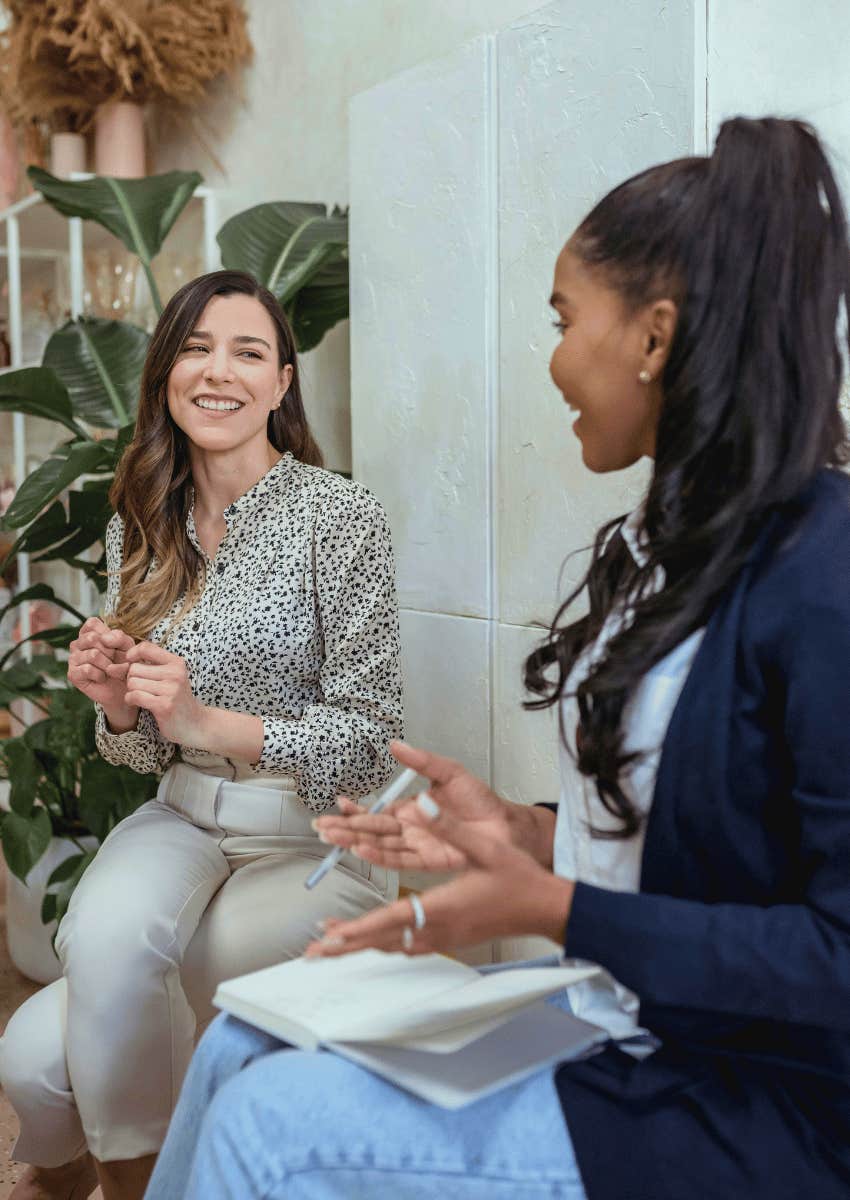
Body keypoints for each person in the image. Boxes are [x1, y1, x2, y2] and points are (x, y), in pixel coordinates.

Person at [143, 117, 850, 1200]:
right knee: (239, 1048)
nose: (555, 358)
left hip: (757, 1098)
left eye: (564, 321)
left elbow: (827, 955)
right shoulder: (673, 553)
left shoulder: (822, 577)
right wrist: (527, 831)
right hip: (631, 1008)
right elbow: (715, 848)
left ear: (654, 340)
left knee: (271, 1132)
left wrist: (550, 907)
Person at [0, 270, 404, 1200]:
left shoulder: (340, 517)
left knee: (39, 1052)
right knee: (69, 1002)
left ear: (282, 382)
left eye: (248, 352)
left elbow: (370, 737)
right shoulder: (141, 520)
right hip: (179, 819)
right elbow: (137, 754)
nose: (218, 371)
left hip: (310, 846)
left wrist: (205, 720)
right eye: (195, 348)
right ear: (166, 375)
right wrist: (117, 705)